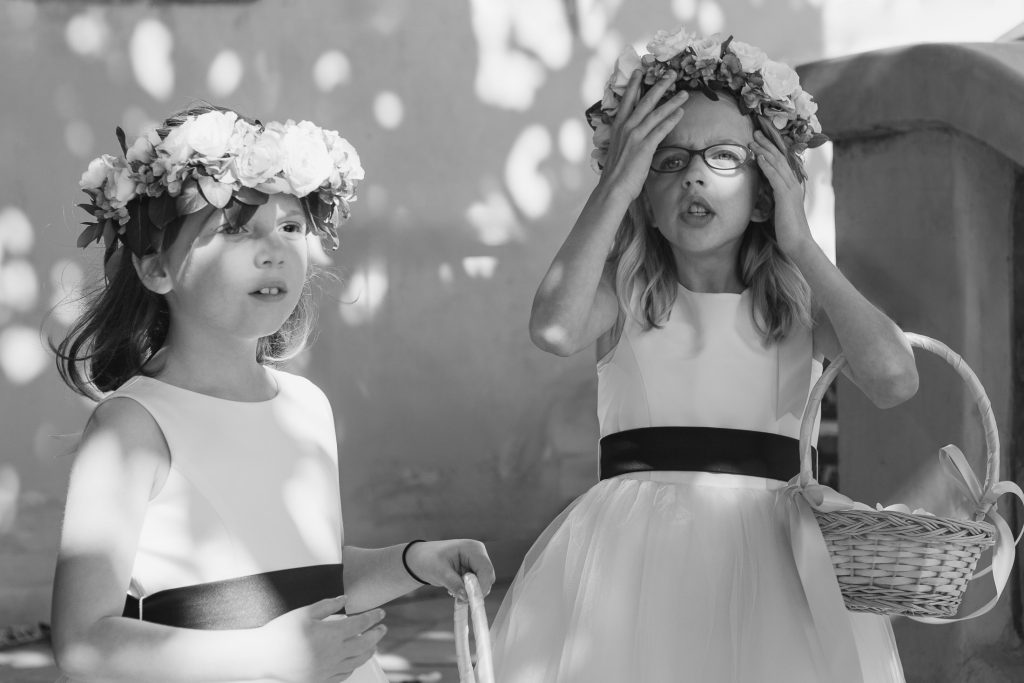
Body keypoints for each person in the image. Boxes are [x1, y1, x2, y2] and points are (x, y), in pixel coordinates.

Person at [489, 29, 918, 682]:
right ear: (645, 197)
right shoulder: (622, 293)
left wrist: (802, 244)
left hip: (778, 562)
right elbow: (552, 327)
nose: (694, 173)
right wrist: (613, 185)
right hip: (632, 566)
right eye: (667, 159)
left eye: (724, 156)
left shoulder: (799, 300)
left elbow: (895, 378)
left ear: (762, 190)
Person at [50, 105, 494, 683]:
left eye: (291, 228)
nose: (274, 249)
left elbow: (303, 578)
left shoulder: (307, 406)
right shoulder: (132, 427)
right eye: (235, 229)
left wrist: (414, 561)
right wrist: (270, 658)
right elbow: (84, 641)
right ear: (156, 268)